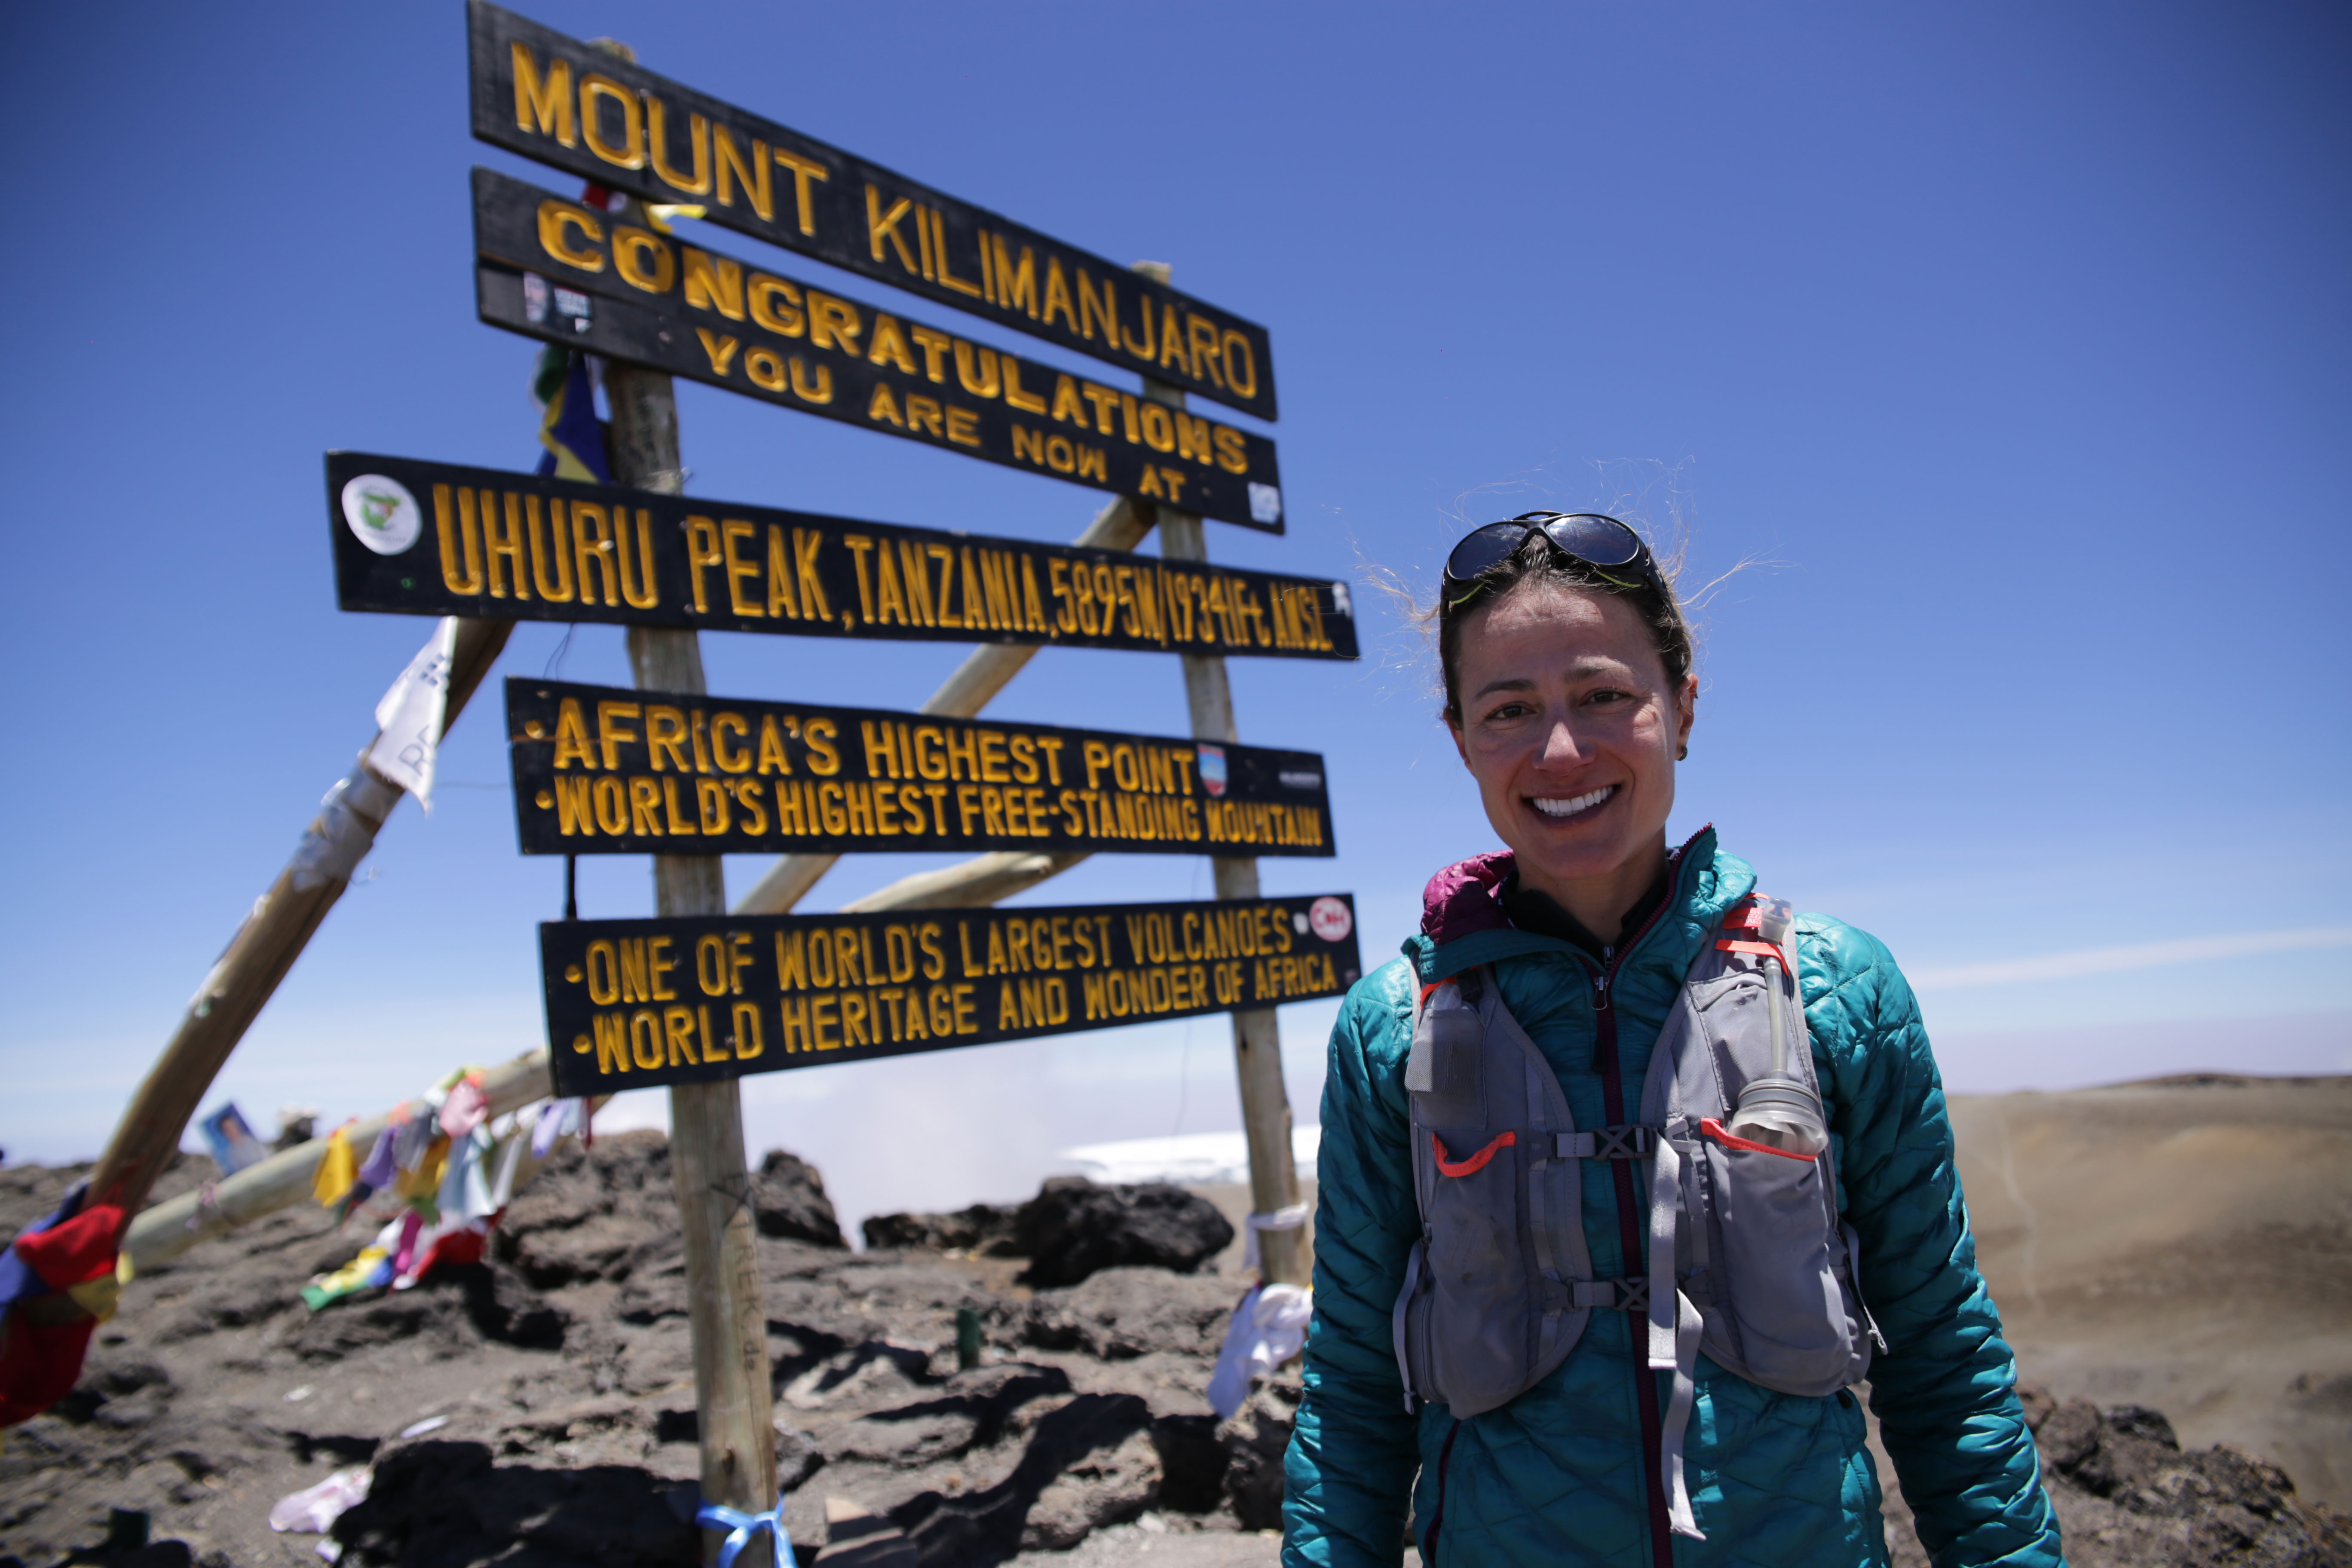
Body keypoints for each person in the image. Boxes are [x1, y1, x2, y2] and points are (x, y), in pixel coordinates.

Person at [1282, 514, 2061, 1566]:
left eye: (1604, 694)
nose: (1562, 749)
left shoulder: (1833, 988)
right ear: (1462, 740)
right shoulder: (1396, 1026)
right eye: (1510, 710)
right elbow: (1354, 1392)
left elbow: (1942, 1353)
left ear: (1683, 704)